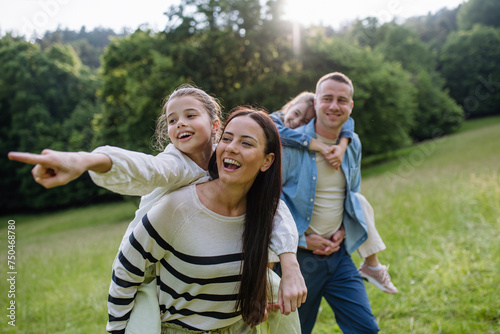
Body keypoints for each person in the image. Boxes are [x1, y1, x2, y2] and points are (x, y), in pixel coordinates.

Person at [8, 86, 306, 333]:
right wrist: (87, 161)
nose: (180, 124)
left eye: (190, 115)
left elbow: (272, 209)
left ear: (215, 125)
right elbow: (145, 169)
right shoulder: (176, 164)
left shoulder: (227, 158)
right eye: (172, 120)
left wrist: (289, 264)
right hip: (154, 273)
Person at [107, 107, 299, 333]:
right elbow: (126, 270)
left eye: (246, 143)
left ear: (267, 161)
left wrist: (286, 270)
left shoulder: (264, 214)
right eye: (227, 139)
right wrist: (117, 329)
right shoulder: (177, 207)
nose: (232, 148)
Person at [277, 72, 381, 334]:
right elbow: (272, 202)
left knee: (366, 329)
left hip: (339, 256)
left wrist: (344, 230)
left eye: (342, 100)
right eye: (327, 99)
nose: (335, 106)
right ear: (316, 103)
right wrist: (302, 239)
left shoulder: (352, 143)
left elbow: (353, 192)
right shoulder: (290, 144)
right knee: (296, 331)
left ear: (351, 106)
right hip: (299, 261)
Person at [271, 92, 397, 295]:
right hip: (295, 250)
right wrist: (318, 145)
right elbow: (278, 132)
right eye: (295, 114)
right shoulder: (274, 124)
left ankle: (372, 264)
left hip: (336, 252)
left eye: (304, 120)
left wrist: (343, 143)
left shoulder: (349, 142)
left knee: (359, 200)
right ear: (288, 106)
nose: (295, 122)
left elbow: (347, 121)